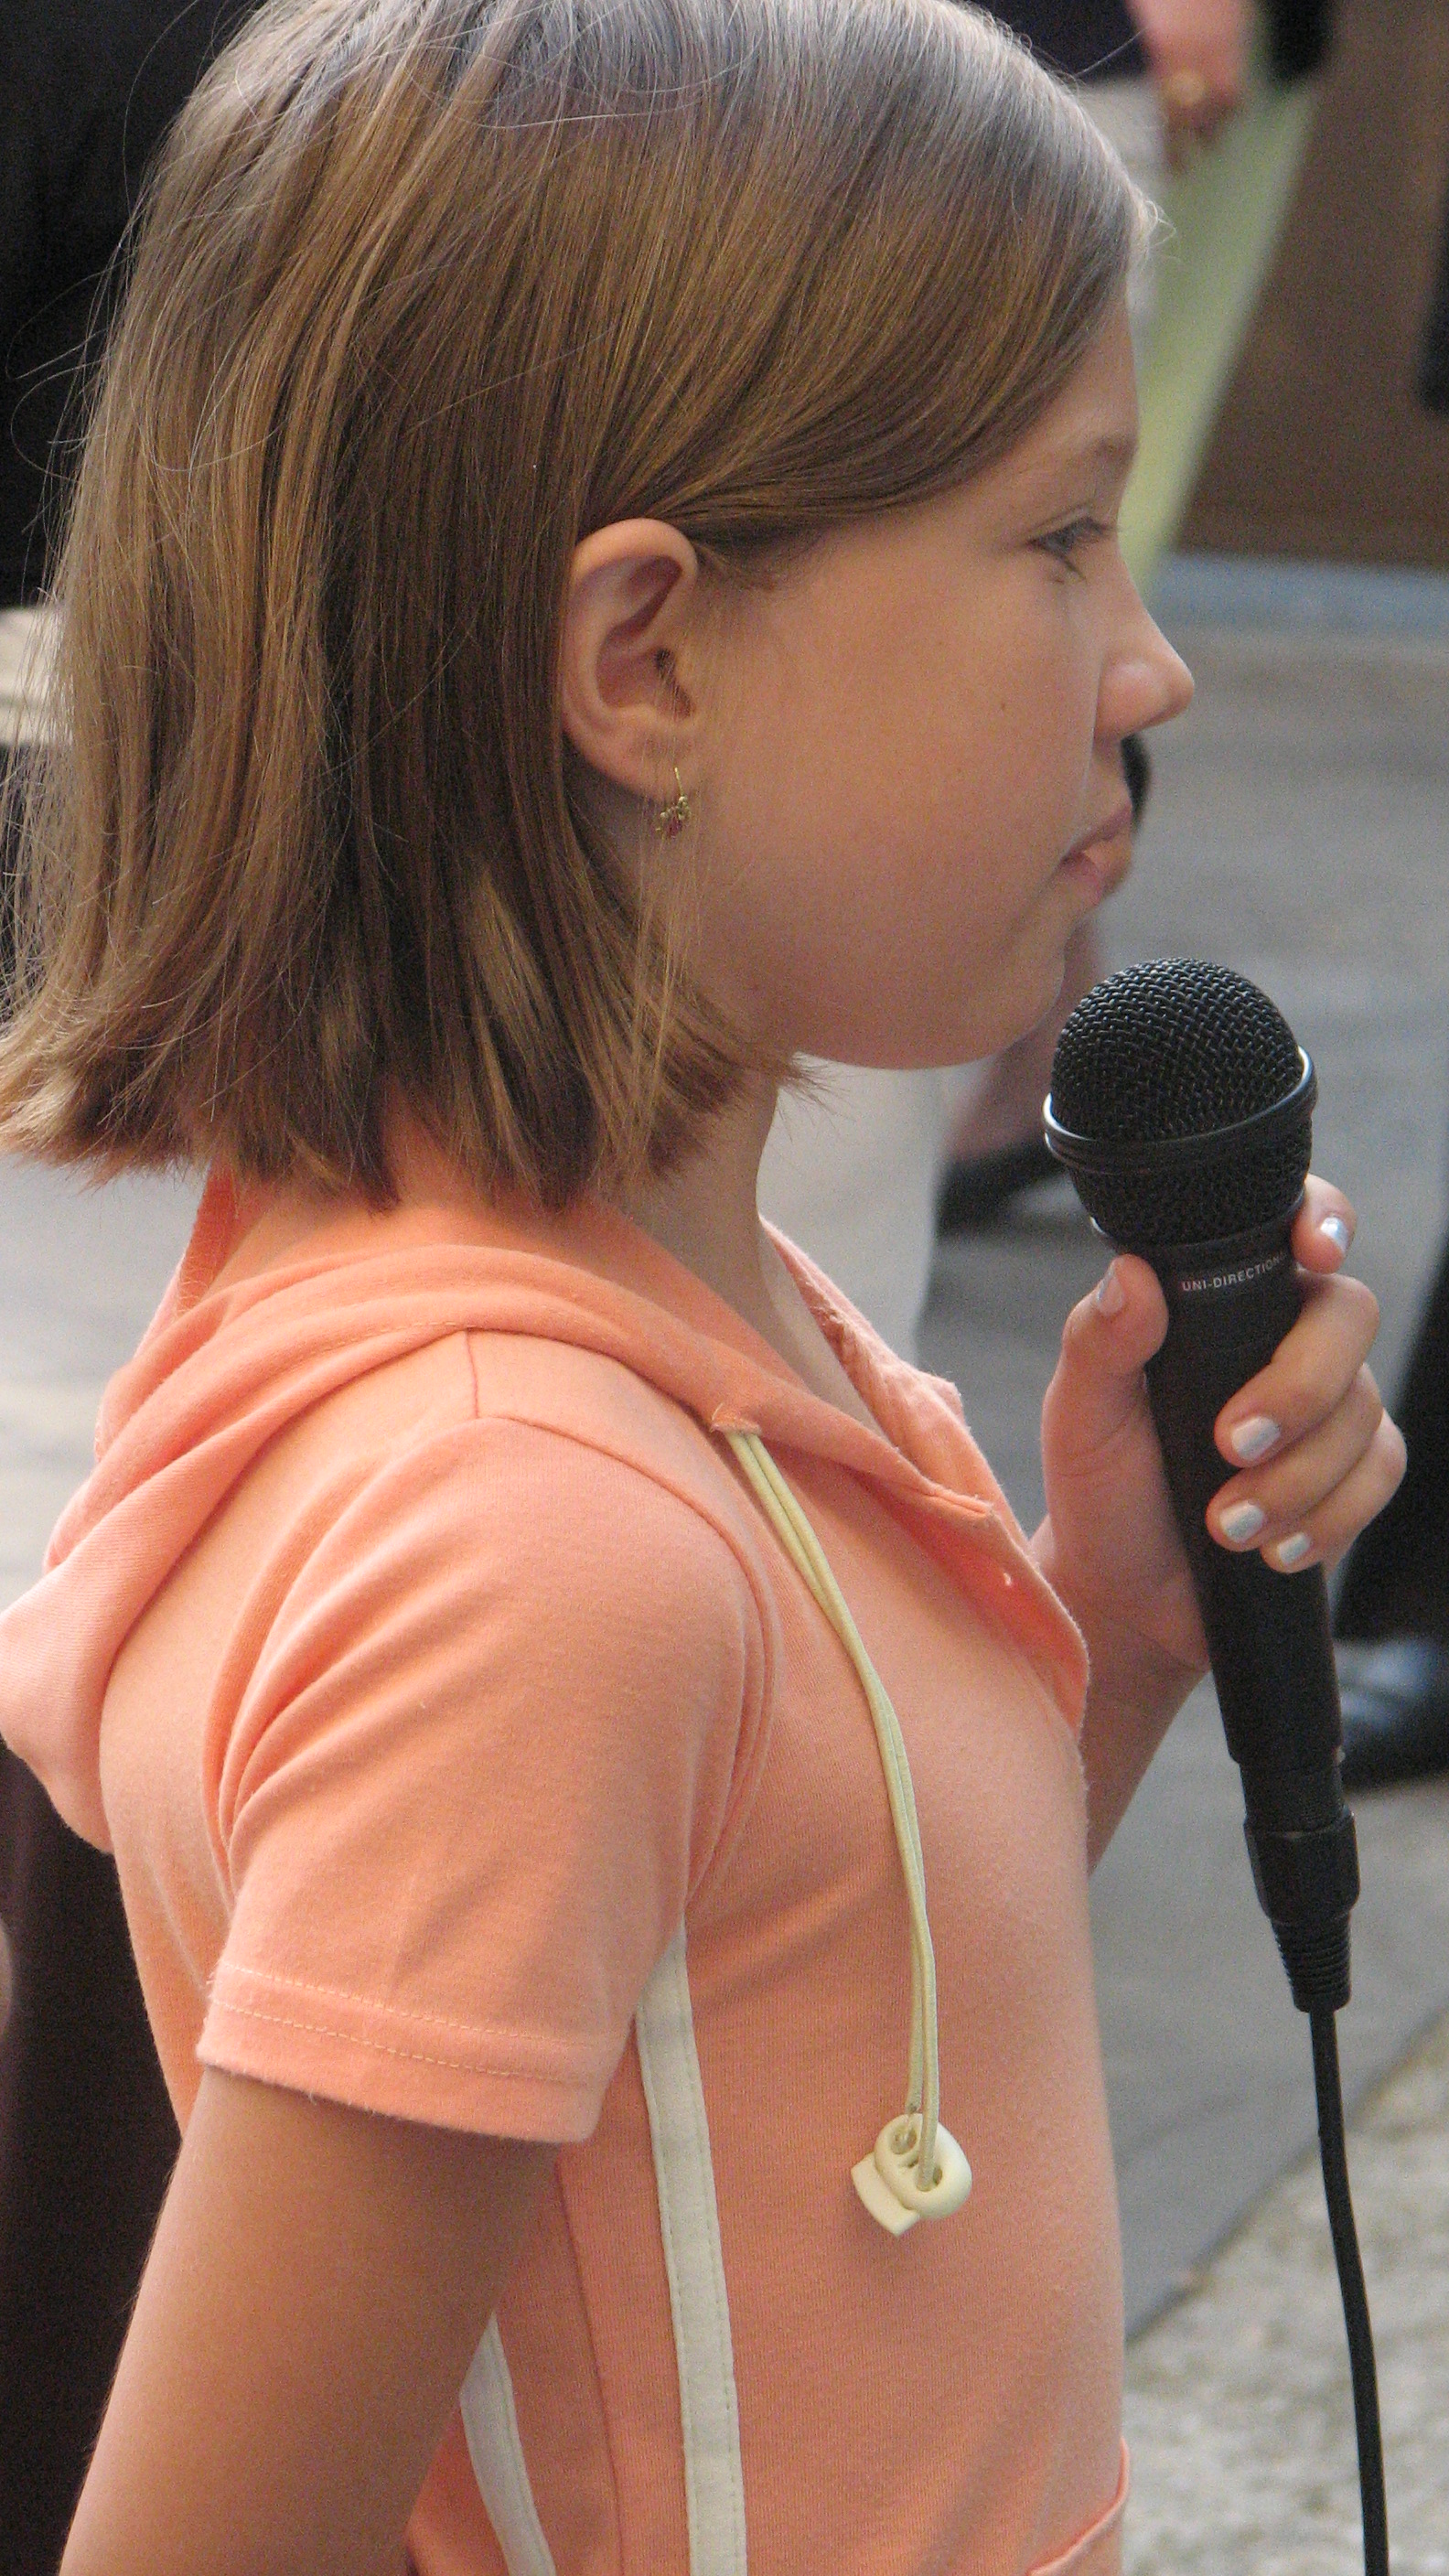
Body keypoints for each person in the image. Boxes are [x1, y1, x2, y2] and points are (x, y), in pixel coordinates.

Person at [0, 4, 1401, 2571]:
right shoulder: (530, 1543)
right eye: (1059, 540)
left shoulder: (693, 1331)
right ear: (646, 661)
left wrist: (1117, 1631)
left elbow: (797, 2060)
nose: (1152, 664)